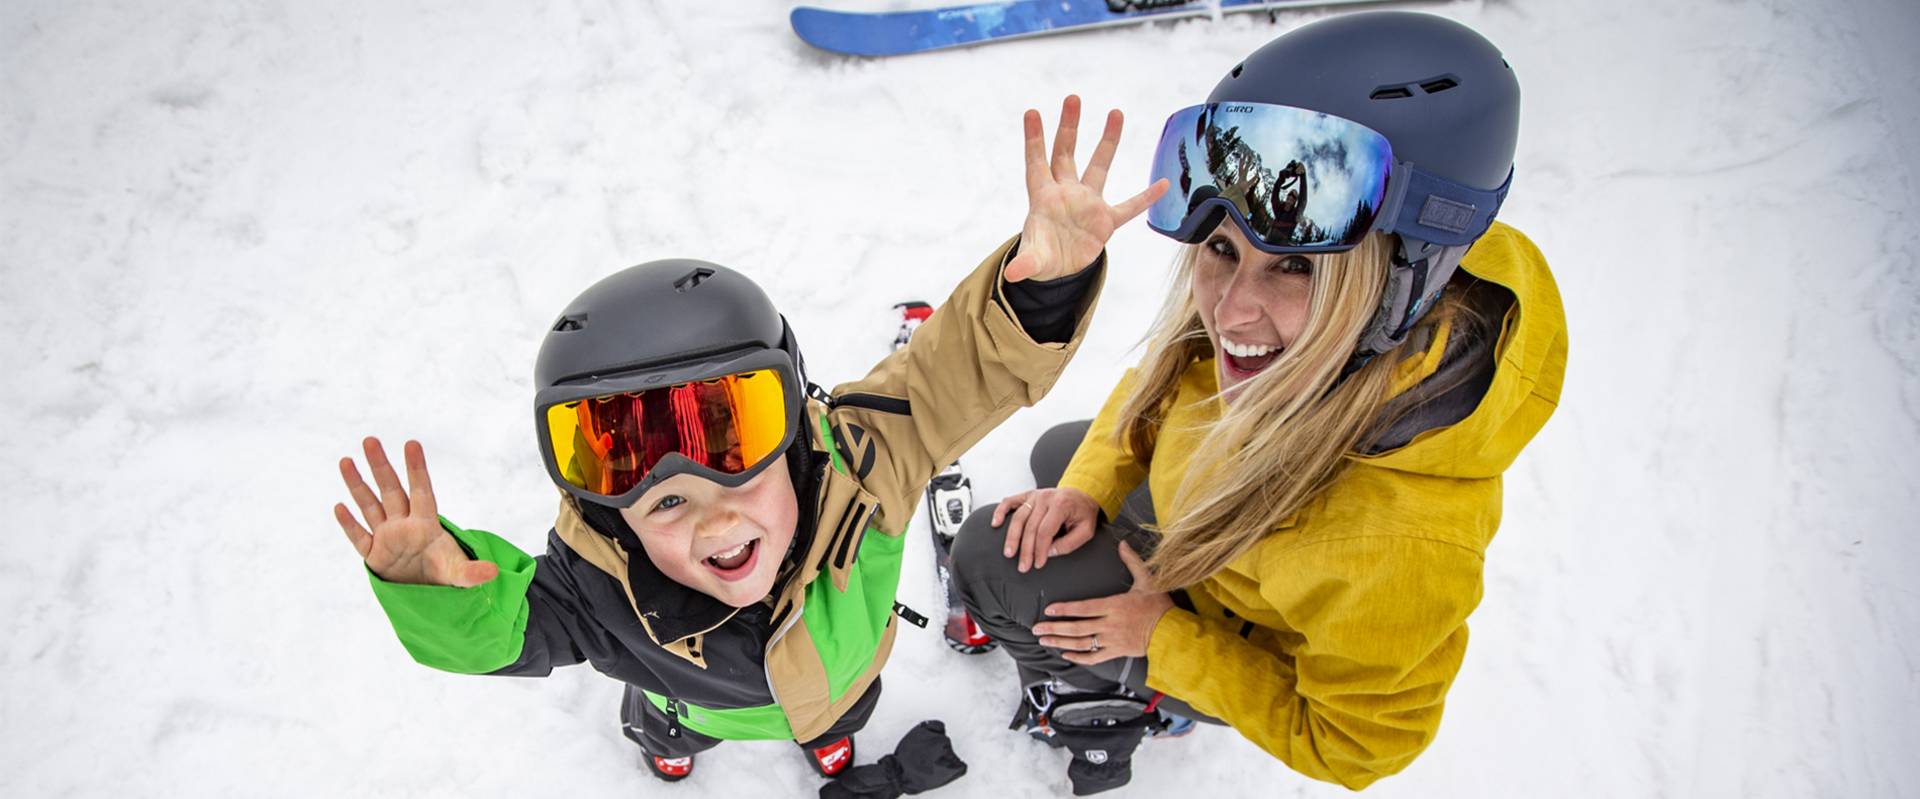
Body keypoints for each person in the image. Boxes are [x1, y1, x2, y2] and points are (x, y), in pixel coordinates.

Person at [330, 97, 1167, 784]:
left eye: (735, 463)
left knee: (840, 711)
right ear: (612, 515)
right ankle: (665, 747)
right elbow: (506, 631)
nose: (713, 520)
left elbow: (957, 374)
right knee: (663, 725)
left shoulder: (864, 462)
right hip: (688, 703)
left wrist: (1046, 289)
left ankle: (825, 737)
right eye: (663, 500)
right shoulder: (593, 583)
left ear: (795, 433)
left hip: (843, 674)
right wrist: (437, 590)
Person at [948, 12, 1568, 794]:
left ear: (1399, 284)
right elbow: (1175, 371)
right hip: (1211, 509)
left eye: (1296, 270)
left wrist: (1167, 641)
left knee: (992, 559)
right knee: (1059, 458)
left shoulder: (1397, 545)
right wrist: (1090, 482)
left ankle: (1128, 694)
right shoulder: (1382, 267)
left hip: (1219, 614)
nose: (1231, 313)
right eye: (1219, 251)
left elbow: (1355, 746)